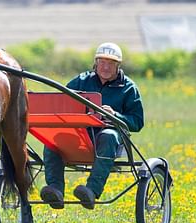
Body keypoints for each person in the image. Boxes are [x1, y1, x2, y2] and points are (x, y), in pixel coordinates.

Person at [40, 42, 144, 210]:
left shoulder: (129, 88)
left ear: (118, 66)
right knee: (53, 138)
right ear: (96, 63)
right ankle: (55, 190)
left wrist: (114, 115)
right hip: (79, 135)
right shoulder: (80, 81)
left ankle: (91, 192)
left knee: (109, 135)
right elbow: (61, 104)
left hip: (107, 140)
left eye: (110, 63)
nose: (105, 67)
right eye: (102, 62)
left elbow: (137, 122)